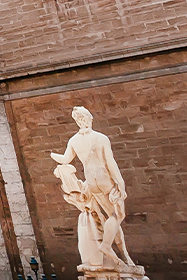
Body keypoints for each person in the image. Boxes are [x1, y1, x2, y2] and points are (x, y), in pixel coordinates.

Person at [50, 106, 133, 268]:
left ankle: (124, 255)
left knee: (112, 218)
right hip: (104, 179)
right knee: (117, 215)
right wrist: (120, 183)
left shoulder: (73, 141)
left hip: (91, 182)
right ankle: (107, 246)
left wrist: (52, 155)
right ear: (89, 118)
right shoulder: (100, 138)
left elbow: (65, 159)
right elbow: (110, 162)